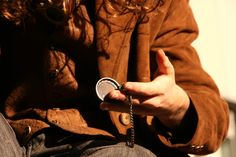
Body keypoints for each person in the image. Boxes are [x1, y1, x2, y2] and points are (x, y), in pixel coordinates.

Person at [0, 0, 229, 157]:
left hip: (106, 143)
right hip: (11, 132)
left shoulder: (161, 5)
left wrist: (177, 107)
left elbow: (211, 113)